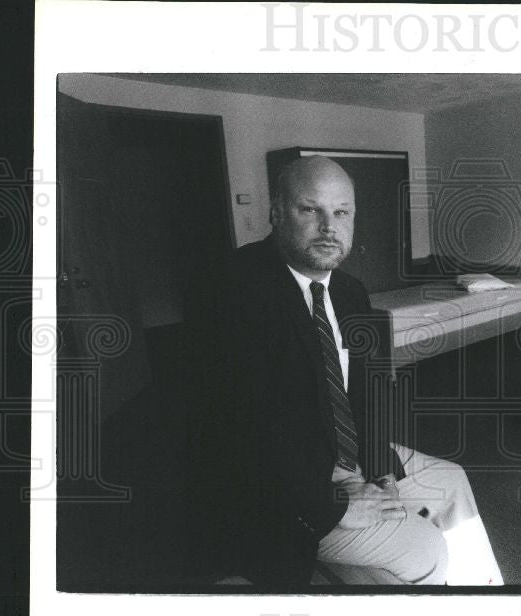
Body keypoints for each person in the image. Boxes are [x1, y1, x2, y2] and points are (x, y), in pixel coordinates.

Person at [200, 155, 502, 587]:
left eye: (341, 212)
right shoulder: (231, 291)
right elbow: (235, 434)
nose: (329, 226)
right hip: (291, 488)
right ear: (276, 213)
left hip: (347, 454)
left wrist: (381, 470)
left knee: (453, 479)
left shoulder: (349, 291)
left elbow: (366, 396)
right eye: (310, 209)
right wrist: (334, 505)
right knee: (427, 549)